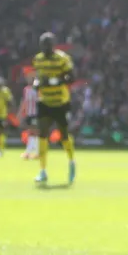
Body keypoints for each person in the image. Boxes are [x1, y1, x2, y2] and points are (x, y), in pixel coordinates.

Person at [32, 32, 76, 184]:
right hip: (44, 100)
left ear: (53, 45)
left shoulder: (62, 58)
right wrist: (37, 83)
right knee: (42, 134)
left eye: (48, 45)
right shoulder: (38, 59)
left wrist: (54, 81)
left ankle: (71, 162)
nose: (45, 48)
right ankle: (42, 170)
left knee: (63, 135)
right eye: (43, 45)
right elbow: (38, 76)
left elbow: (71, 77)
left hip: (60, 101)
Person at [18, 71, 39, 160]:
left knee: (34, 132)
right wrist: (21, 112)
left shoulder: (38, 89)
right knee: (32, 132)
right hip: (29, 113)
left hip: (36, 113)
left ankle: (30, 152)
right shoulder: (26, 89)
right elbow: (24, 101)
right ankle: (34, 152)